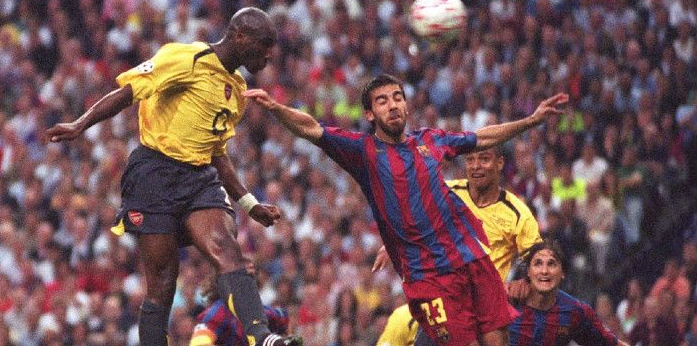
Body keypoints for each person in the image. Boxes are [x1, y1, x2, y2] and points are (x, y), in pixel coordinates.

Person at [244, 74, 568, 345]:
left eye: (397, 97)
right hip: (426, 274)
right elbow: (311, 128)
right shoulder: (362, 151)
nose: (393, 104)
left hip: (470, 258)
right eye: (382, 100)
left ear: (406, 104)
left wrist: (531, 121)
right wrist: (274, 107)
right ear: (370, 114)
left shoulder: (430, 140)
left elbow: (480, 138)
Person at [46, 7, 301, 346]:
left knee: (227, 250)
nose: (270, 54)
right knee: (163, 282)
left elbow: (216, 152)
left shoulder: (236, 91)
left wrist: (249, 203)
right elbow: (129, 91)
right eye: (265, 44)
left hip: (199, 177)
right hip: (155, 172)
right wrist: (80, 123)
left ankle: (261, 337)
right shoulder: (186, 58)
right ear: (240, 36)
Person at [374, 146, 542, 345]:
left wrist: (524, 281)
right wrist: (393, 242)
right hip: (443, 301)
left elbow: (537, 258)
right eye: (470, 160)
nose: (476, 166)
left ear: (500, 163)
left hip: (485, 314)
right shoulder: (447, 192)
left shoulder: (517, 213)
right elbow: (414, 217)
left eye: (484, 159)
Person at [509, 241, 628, 346]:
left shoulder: (574, 311)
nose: (544, 271)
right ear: (528, 272)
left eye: (551, 264)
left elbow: (609, 343)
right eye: (538, 264)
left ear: (562, 273)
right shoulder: (508, 299)